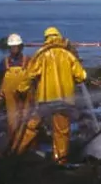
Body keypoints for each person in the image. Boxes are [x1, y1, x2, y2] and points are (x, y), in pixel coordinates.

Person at [20, 27, 87, 163]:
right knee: (61, 131)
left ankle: (19, 153)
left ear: (46, 38)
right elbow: (82, 76)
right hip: (64, 101)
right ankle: (60, 160)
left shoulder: (41, 54)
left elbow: (30, 75)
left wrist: (22, 90)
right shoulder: (68, 54)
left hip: (45, 99)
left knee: (32, 126)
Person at [0, 34, 31, 152]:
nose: (14, 49)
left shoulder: (28, 61)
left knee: (27, 119)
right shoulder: (4, 62)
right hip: (9, 96)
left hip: (26, 95)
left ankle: (28, 146)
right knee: (12, 121)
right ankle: (14, 146)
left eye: (16, 46)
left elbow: (35, 76)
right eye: (12, 47)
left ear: (21, 47)